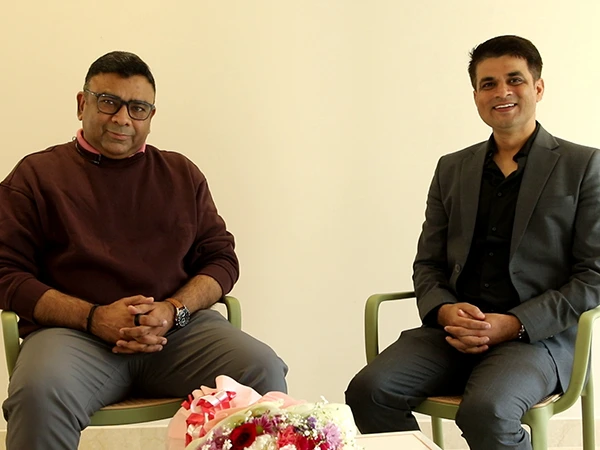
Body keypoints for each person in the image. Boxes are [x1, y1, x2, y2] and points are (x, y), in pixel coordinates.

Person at [0, 51, 288, 450]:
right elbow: (6, 273)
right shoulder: (36, 176)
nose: (123, 119)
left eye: (137, 108)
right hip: (73, 337)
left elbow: (221, 259)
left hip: (178, 335)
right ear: (82, 104)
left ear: (151, 116)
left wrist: (173, 309)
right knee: (38, 393)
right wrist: (93, 317)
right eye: (108, 102)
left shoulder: (181, 174)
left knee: (261, 368)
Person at [345, 35, 600, 449]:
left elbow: (593, 276)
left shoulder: (584, 165)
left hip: (536, 339)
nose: (501, 92)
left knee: (487, 411)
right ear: (476, 96)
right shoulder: (451, 169)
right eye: (488, 84)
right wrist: (445, 311)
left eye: (514, 80)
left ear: (538, 87)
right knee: (369, 391)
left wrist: (514, 324)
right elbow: (428, 264)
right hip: (452, 333)